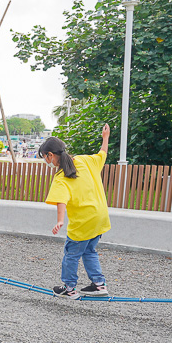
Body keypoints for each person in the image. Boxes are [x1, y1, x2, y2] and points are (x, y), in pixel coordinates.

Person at [39, 124, 112, 298]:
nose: (45, 161)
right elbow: (102, 154)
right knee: (89, 251)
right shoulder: (84, 160)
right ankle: (99, 285)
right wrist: (105, 137)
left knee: (71, 254)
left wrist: (60, 221)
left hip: (83, 222)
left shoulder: (61, 176)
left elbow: (61, 201)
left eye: (44, 157)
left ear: (51, 155)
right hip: (100, 217)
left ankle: (69, 288)